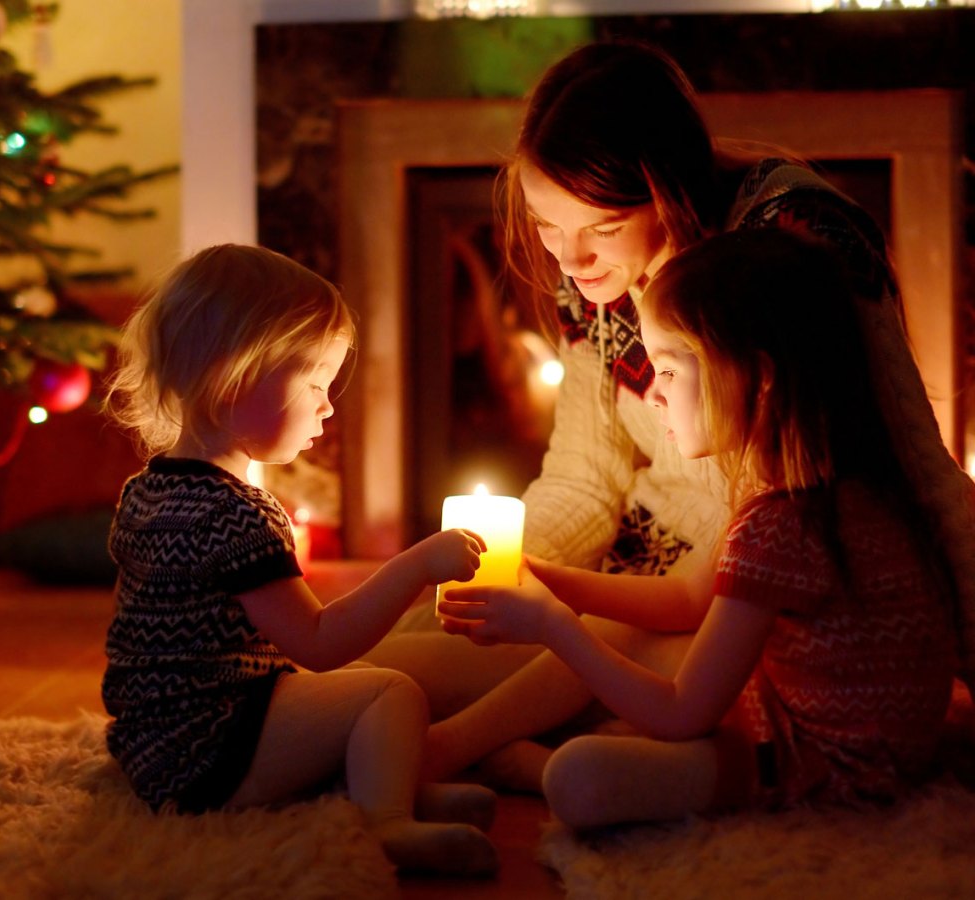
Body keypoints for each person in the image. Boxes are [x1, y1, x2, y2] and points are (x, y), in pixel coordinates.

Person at [366, 39, 975, 790]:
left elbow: (918, 466)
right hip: (645, 577)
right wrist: (503, 573)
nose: (570, 261)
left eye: (602, 228)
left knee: (594, 664)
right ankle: (504, 746)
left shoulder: (788, 252)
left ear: (669, 190)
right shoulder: (588, 279)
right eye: (547, 226)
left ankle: (475, 747)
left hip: (757, 613)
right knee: (398, 663)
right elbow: (585, 483)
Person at [437, 228, 959, 826]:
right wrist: (544, 580)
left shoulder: (780, 526)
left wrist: (551, 624)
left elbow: (683, 712)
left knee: (579, 777)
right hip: (811, 716)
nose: (652, 394)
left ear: (758, 379)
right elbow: (687, 597)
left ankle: (519, 761)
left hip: (819, 766)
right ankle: (454, 743)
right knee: (618, 628)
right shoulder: (845, 490)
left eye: (668, 370)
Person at [101, 243, 498, 877]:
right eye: (314, 382)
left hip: (150, 741)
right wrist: (416, 567)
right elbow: (319, 643)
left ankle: (390, 785)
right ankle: (387, 822)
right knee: (387, 692)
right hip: (209, 752)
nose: (328, 405)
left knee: (322, 694)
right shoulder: (233, 514)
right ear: (232, 378)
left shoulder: (145, 491)